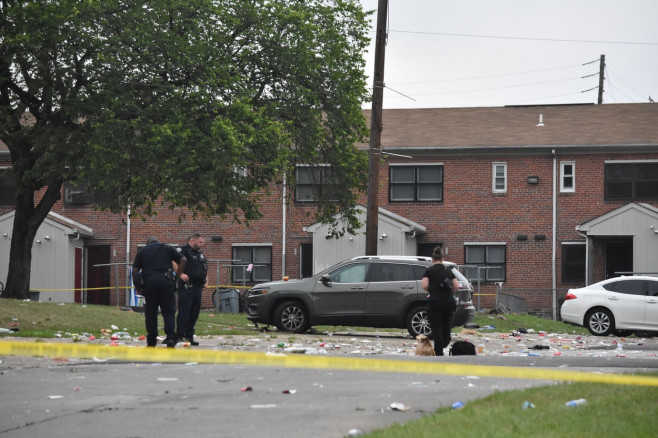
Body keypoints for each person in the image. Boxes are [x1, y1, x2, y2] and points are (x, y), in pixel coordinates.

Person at [133, 236, 187, 347]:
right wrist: (176, 277)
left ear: (147, 243)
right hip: (166, 282)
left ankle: (151, 341)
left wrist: (138, 287)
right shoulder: (167, 248)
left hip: (149, 283)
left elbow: (135, 270)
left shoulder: (142, 251)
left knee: (151, 313)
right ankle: (171, 338)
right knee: (168, 312)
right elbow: (183, 260)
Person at [421, 246, 459, 356]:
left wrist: (432, 290)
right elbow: (456, 286)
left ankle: (439, 351)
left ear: (432, 259)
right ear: (442, 259)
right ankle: (446, 341)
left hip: (435, 301)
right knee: (446, 322)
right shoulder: (448, 271)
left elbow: (424, 285)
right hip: (448, 302)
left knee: (436, 326)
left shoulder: (429, 271)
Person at [175, 233, 208, 346]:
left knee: (194, 312)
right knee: (184, 311)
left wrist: (206, 280)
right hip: (187, 286)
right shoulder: (183, 250)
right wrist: (180, 274)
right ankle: (179, 335)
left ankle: (189, 336)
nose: (202, 245)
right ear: (193, 240)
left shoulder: (199, 253)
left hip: (198, 287)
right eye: (200, 242)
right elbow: (173, 262)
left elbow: (204, 267)